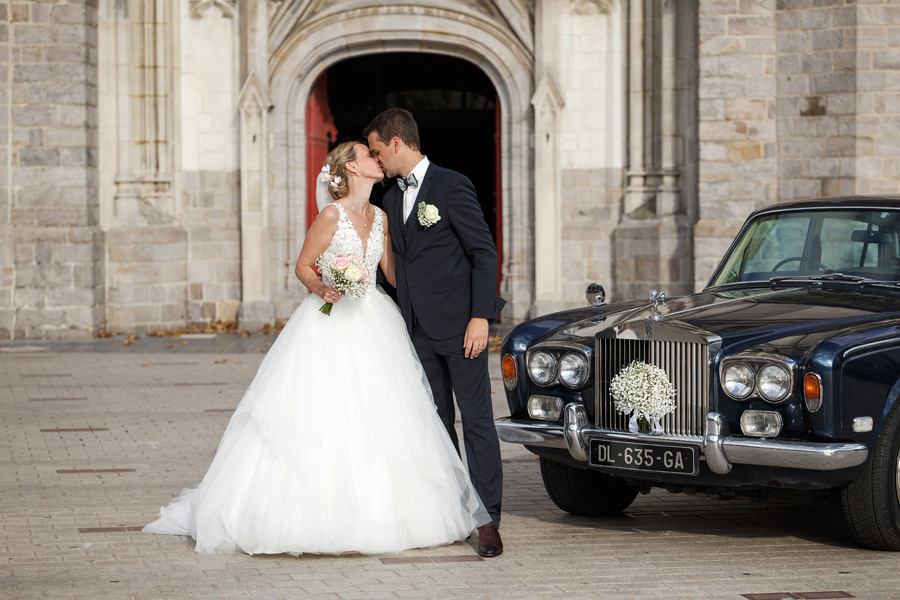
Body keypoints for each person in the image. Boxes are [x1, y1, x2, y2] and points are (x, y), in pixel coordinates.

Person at [143, 141, 491, 555]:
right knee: (326, 408)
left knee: (384, 411)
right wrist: (324, 286)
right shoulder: (331, 215)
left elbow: (396, 278)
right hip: (329, 319)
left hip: (373, 319)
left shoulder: (381, 216)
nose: (375, 159)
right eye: (367, 155)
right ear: (351, 169)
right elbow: (303, 265)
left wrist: (446, 285)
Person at [364, 108, 506, 557]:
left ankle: (487, 519)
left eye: (376, 150)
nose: (375, 159)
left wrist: (481, 316)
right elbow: (395, 266)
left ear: (397, 144)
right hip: (416, 329)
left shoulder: (451, 184)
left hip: (463, 328)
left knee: (477, 422)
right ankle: (451, 509)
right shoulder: (389, 200)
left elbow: (484, 253)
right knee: (437, 423)